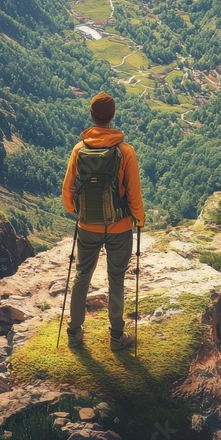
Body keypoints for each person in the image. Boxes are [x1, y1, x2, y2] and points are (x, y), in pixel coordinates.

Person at [61, 91, 145, 351]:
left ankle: (74, 333)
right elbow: (133, 193)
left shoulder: (79, 150)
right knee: (116, 278)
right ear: (112, 117)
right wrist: (139, 219)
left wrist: (75, 210)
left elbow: (68, 189)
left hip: (87, 225)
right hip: (119, 228)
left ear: (92, 116)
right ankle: (117, 337)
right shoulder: (125, 152)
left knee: (82, 277)